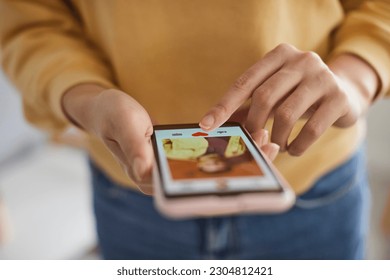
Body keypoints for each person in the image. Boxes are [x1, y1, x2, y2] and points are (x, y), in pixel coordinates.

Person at [0, 0, 389, 259]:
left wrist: (354, 81)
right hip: (132, 197)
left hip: (315, 189)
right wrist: (88, 100)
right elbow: (32, 23)